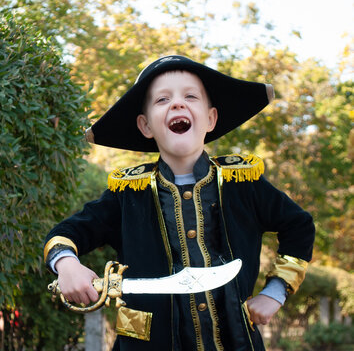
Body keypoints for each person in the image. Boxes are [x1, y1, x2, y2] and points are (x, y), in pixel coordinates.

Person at [43, 55, 315, 350]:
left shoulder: (242, 184)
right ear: (145, 125)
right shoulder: (127, 193)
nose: (177, 104)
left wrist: (275, 291)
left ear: (210, 118)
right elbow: (67, 234)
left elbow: (299, 225)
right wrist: (67, 264)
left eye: (190, 96)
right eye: (162, 100)